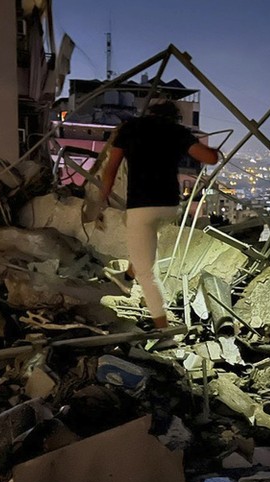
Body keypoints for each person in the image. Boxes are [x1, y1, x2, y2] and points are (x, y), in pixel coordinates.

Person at [98, 100, 220, 330]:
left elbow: (112, 166)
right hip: (168, 206)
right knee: (144, 242)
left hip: (141, 206)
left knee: (146, 270)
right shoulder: (176, 131)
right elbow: (209, 158)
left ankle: (163, 327)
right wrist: (216, 153)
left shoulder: (131, 128)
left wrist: (103, 195)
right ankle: (130, 272)